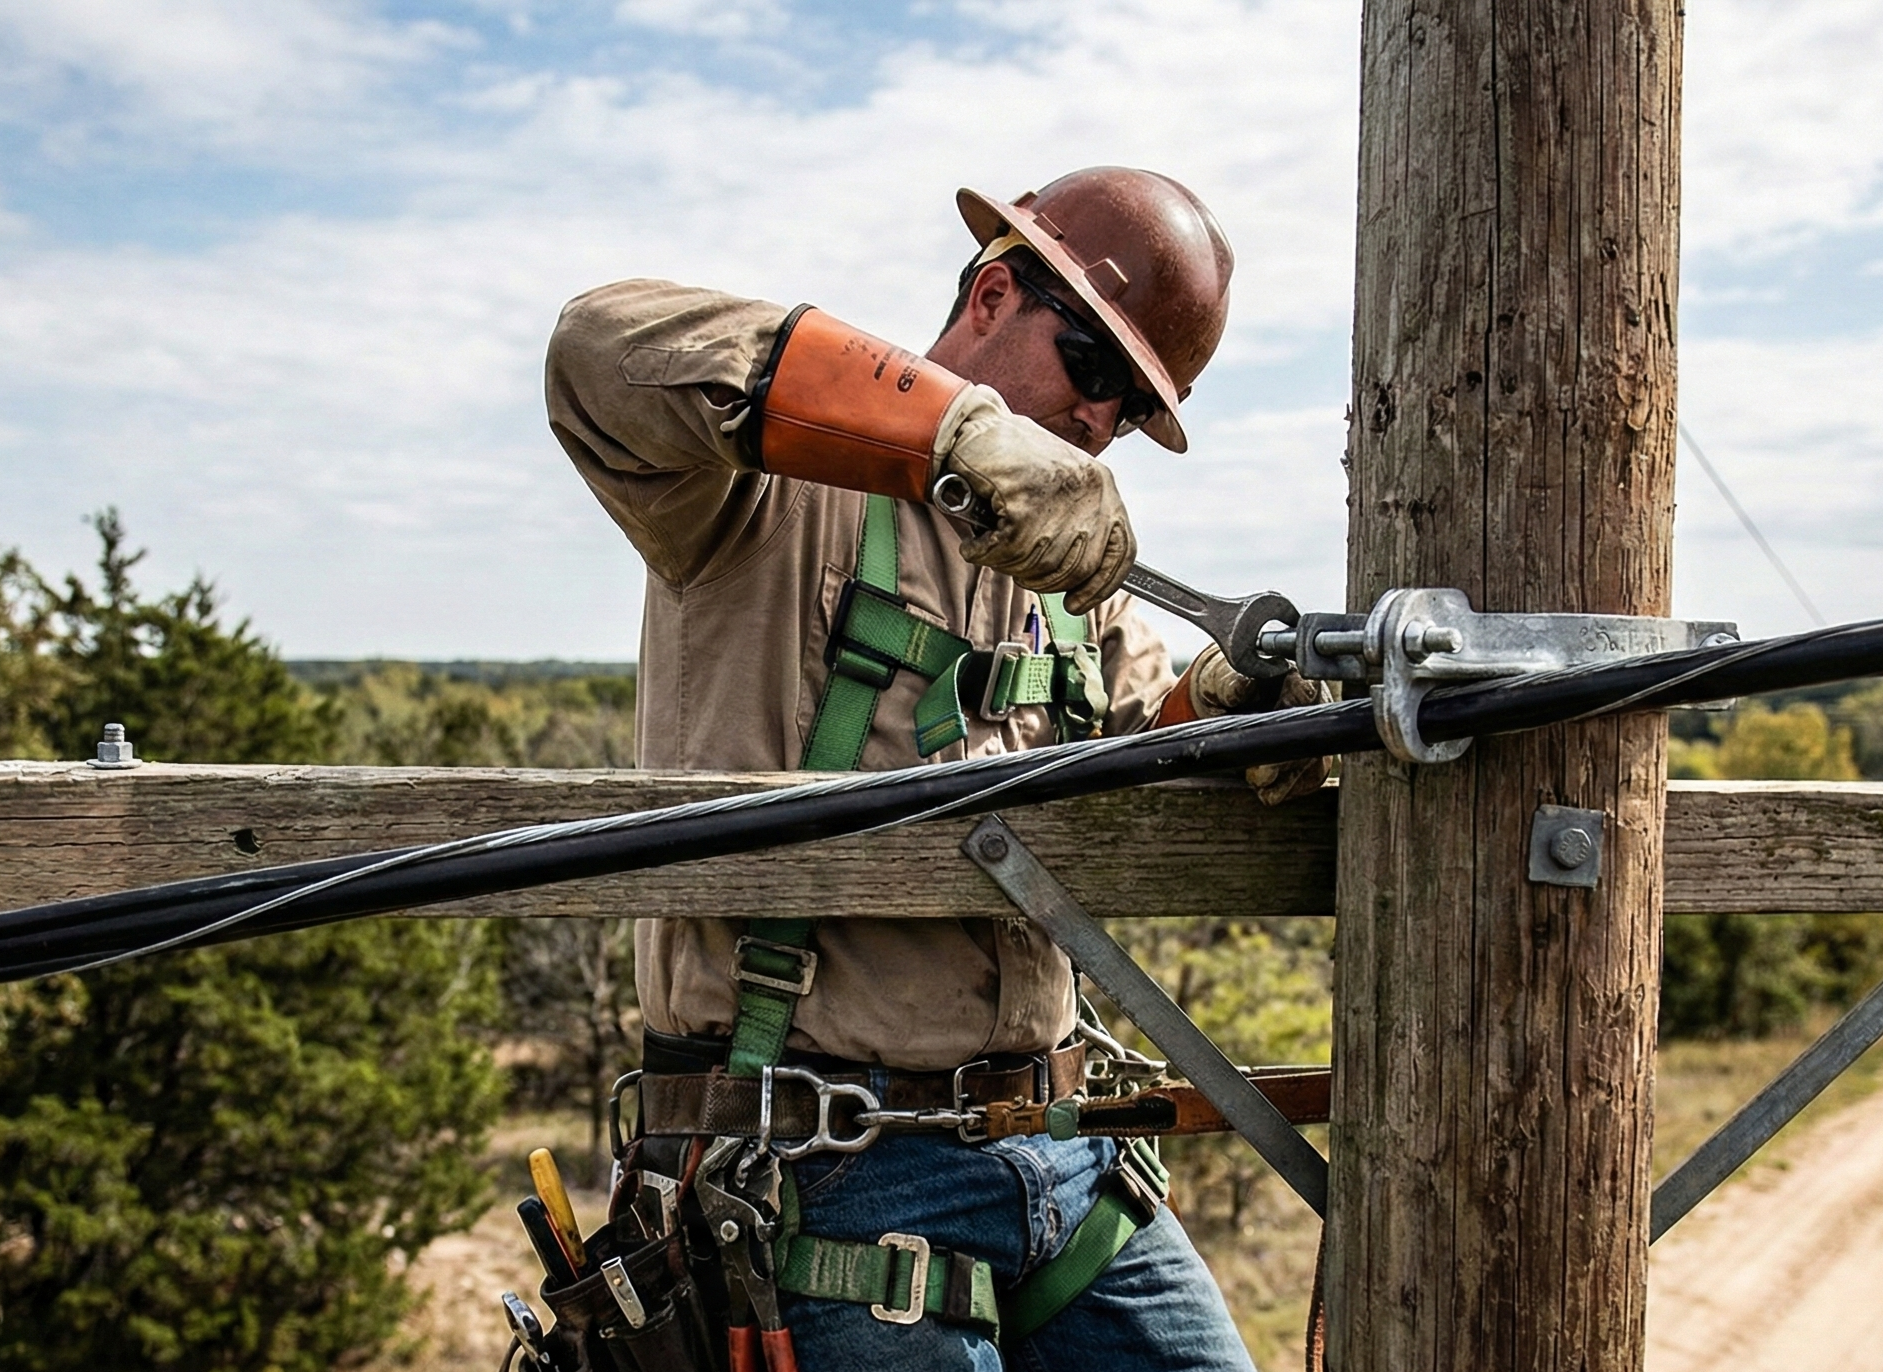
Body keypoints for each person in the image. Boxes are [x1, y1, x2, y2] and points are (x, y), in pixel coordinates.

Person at [545, 166, 1323, 1371]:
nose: (1102, 425)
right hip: (824, 1160)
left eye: (1132, 411)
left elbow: (1140, 739)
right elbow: (597, 349)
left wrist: (1231, 707)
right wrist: (953, 432)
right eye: (1094, 369)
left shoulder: (1065, 571)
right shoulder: (757, 496)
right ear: (996, 292)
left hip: (1064, 1143)